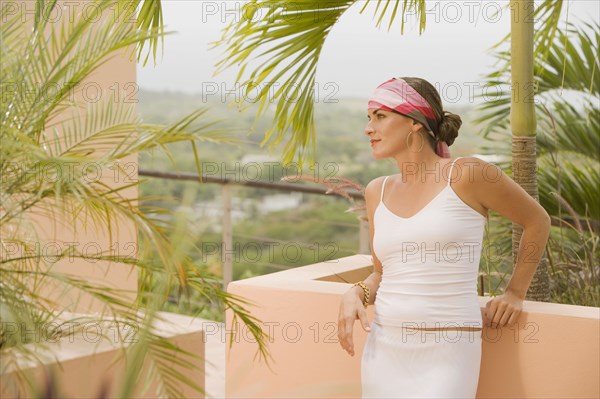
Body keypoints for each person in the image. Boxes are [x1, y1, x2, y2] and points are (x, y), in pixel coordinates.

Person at [337, 77, 551, 398]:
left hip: (448, 349)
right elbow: (383, 272)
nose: (369, 128)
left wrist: (515, 293)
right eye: (369, 118)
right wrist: (356, 292)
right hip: (383, 347)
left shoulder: (468, 174)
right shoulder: (376, 190)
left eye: (380, 116)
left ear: (414, 122)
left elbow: (537, 220)